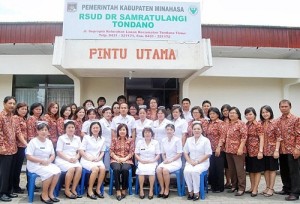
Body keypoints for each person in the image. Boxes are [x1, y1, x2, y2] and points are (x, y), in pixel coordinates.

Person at [26, 122, 61, 203]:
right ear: (37, 131)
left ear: (48, 132)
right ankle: (44, 194)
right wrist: (41, 161)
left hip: (46, 163)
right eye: (41, 130)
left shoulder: (49, 142)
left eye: (46, 130)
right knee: (48, 172)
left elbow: (52, 154)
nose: (44, 132)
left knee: (57, 171)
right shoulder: (33, 142)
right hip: (34, 164)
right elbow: (28, 156)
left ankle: (50, 192)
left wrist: (49, 161)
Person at [218, 107, 247, 196]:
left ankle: (241, 188)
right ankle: (234, 186)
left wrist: (240, 148)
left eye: (234, 113)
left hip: (238, 151)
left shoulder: (241, 124)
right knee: (232, 170)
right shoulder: (227, 124)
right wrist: (219, 146)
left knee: (239, 170)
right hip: (228, 150)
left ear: (238, 114)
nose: (231, 114)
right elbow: (222, 137)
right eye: (230, 113)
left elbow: (244, 137)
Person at [274, 99, 300, 201]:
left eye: (286, 106)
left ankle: (295, 192)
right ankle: (287, 188)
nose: (284, 108)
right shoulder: (278, 120)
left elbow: (299, 135)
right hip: (282, 150)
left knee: (294, 172)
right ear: (279, 108)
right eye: (282, 107)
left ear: (290, 107)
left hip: (292, 150)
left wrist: (297, 148)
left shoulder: (296, 119)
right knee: (284, 171)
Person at [183, 121, 212, 200]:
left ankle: (196, 192)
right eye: (195, 129)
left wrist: (197, 162)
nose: (196, 130)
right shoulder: (189, 140)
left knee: (195, 171)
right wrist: (189, 161)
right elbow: (185, 152)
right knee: (186, 171)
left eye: (198, 129)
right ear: (192, 130)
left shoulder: (206, 140)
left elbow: (208, 154)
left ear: (202, 130)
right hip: (191, 161)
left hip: (202, 162)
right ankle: (190, 191)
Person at [55, 120, 82, 199]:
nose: (71, 129)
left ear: (75, 128)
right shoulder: (61, 138)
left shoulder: (77, 138)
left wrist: (76, 158)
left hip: (74, 158)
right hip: (62, 159)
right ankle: (67, 190)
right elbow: (59, 152)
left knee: (79, 168)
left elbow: (80, 151)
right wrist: (68, 159)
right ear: (65, 129)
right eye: (69, 127)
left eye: (72, 127)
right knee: (71, 169)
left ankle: (73, 189)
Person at [79, 122, 106, 200]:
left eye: (97, 128)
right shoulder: (86, 137)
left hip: (97, 159)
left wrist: (99, 158)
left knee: (103, 169)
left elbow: (102, 151)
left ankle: (97, 189)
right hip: (86, 159)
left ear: (100, 129)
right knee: (95, 169)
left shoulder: (102, 138)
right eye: (94, 128)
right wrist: (88, 158)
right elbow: (81, 150)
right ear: (90, 129)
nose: (95, 129)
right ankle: (90, 190)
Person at [0, 96, 20, 202]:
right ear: (4, 104)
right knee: (4, 173)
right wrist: (2, 147)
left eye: (13, 103)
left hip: (14, 149)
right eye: (10, 103)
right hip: (4, 150)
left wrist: (26, 143)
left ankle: (8, 191)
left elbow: (18, 132)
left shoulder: (14, 117)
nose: (12, 105)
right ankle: (2, 193)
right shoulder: (1, 116)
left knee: (10, 172)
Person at [156, 124, 182, 199]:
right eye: (167, 129)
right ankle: (162, 188)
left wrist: (171, 160)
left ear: (174, 131)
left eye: (171, 129)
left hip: (176, 161)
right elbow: (163, 153)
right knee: (158, 169)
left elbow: (179, 153)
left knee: (165, 170)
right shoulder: (163, 140)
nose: (169, 131)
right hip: (166, 160)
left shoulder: (177, 140)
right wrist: (164, 159)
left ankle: (167, 189)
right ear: (165, 131)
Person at [259, 105, 281, 197]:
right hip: (263, 151)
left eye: (267, 112)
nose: (265, 114)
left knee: (272, 170)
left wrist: (276, 150)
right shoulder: (260, 123)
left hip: (272, 150)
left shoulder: (275, 123)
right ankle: (267, 187)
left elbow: (278, 137)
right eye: (263, 112)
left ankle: (271, 188)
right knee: (266, 170)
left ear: (270, 112)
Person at [110, 124, 134, 201]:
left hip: (127, 160)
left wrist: (125, 159)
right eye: (120, 130)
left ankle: (124, 189)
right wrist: (117, 158)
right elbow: (111, 151)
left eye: (124, 130)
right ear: (118, 131)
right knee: (116, 169)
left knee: (125, 169)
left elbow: (132, 152)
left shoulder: (130, 140)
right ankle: (117, 190)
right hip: (115, 159)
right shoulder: (114, 139)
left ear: (127, 131)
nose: (122, 131)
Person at [135, 127, 160, 199]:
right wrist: (141, 160)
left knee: (151, 171)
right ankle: (141, 190)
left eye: (149, 132)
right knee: (141, 171)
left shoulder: (155, 142)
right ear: (143, 134)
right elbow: (136, 154)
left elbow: (158, 154)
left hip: (152, 161)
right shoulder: (140, 142)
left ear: (152, 134)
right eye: (145, 132)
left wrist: (153, 160)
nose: (147, 134)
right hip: (142, 161)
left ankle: (151, 190)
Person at [244, 107, 264, 197]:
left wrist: (260, 151)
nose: (248, 116)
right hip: (248, 151)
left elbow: (262, 138)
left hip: (256, 150)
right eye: (247, 114)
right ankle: (252, 187)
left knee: (257, 170)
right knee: (251, 170)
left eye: (250, 114)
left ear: (255, 115)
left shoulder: (258, 124)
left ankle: (255, 188)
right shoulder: (246, 124)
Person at [206, 107, 225, 193]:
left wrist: (219, 147)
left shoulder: (220, 123)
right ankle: (213, 186)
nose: (212, 115)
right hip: (210, 149)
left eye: (214, 113)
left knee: (219, 168)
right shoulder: (209, 123)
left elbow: (222, 136)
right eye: (210, 114)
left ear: (218, 114)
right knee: (212, 168)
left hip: (218, 149)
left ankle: (219, 187)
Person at [12, 102, 29, 194]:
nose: (24, 111)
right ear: (17, 109)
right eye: (22, 109)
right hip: (18, 146)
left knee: (18, 167)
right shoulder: (15, 118)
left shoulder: (24, 119)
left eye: (25, 109)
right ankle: (14, 187)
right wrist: (26, 143)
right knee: (15, 168)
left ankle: (16, 186)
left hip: (23, 146)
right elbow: (18, 133)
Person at [220, 104, 232, 189]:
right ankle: (227, 182)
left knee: (229, 166)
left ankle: (230, 182)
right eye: (223, 111)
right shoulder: (221, 121)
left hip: (231, 147)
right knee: (224, 165)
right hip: (222, 147)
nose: (225, 112)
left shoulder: (234, 121)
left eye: (227, 110)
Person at [99, 105, 113, 170]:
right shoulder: (101, 122)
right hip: (103, 144)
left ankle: (106, 175)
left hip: (110, 144)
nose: (108, 114)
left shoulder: (111, 122)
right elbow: (100, 134)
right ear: (103, 113)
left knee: (107, 162)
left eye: (110, 113)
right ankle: (103, 176)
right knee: (103, 161)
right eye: (106, 112)